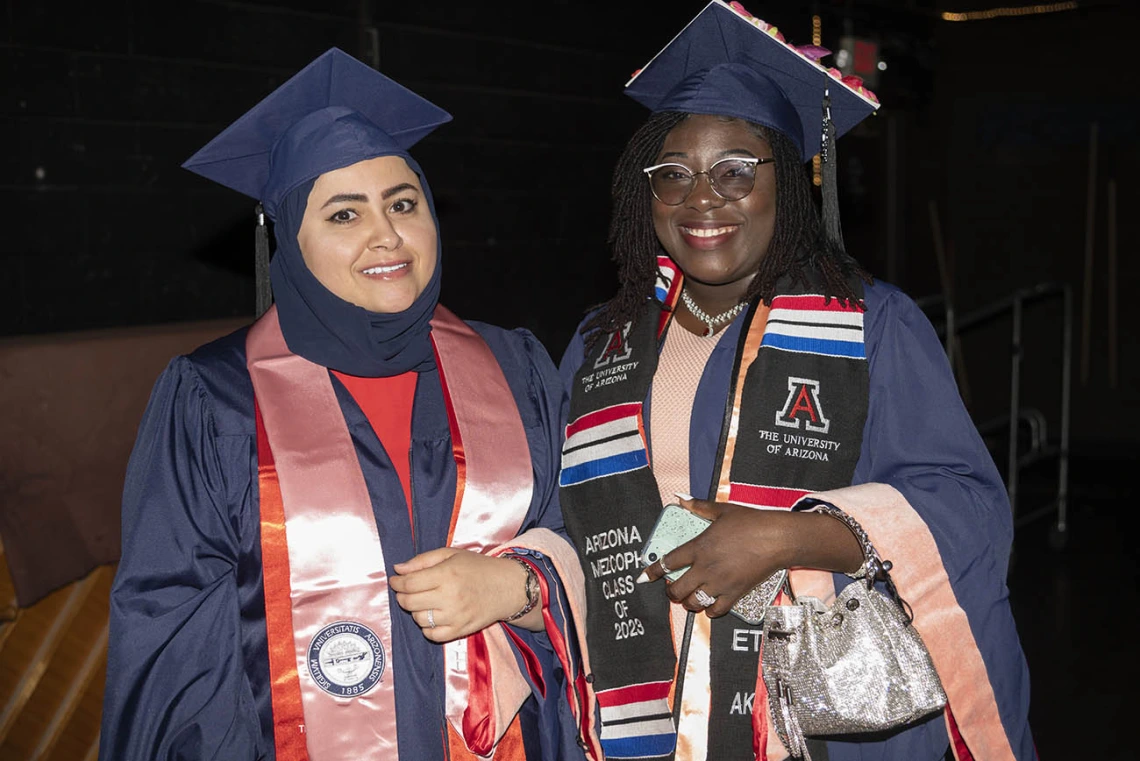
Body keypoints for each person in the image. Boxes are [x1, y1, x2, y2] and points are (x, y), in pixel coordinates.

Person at [557, 3, 1034, 760]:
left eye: (736, 171)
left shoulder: (872, 325)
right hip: (648, 711)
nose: (701, 197)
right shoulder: (599, 346)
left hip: (817, 719)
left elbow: (969, 511)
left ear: (791, 179)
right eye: (672, 173)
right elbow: (570, 525)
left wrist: (790, 534)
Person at [100, 48, 600, 761]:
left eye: (403, 202)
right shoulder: (213, 403)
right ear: (291, 243)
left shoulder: (516, 369)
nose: (387, 235)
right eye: (344, 213)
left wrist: (521, 586)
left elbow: (593, 538)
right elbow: (176, 657)